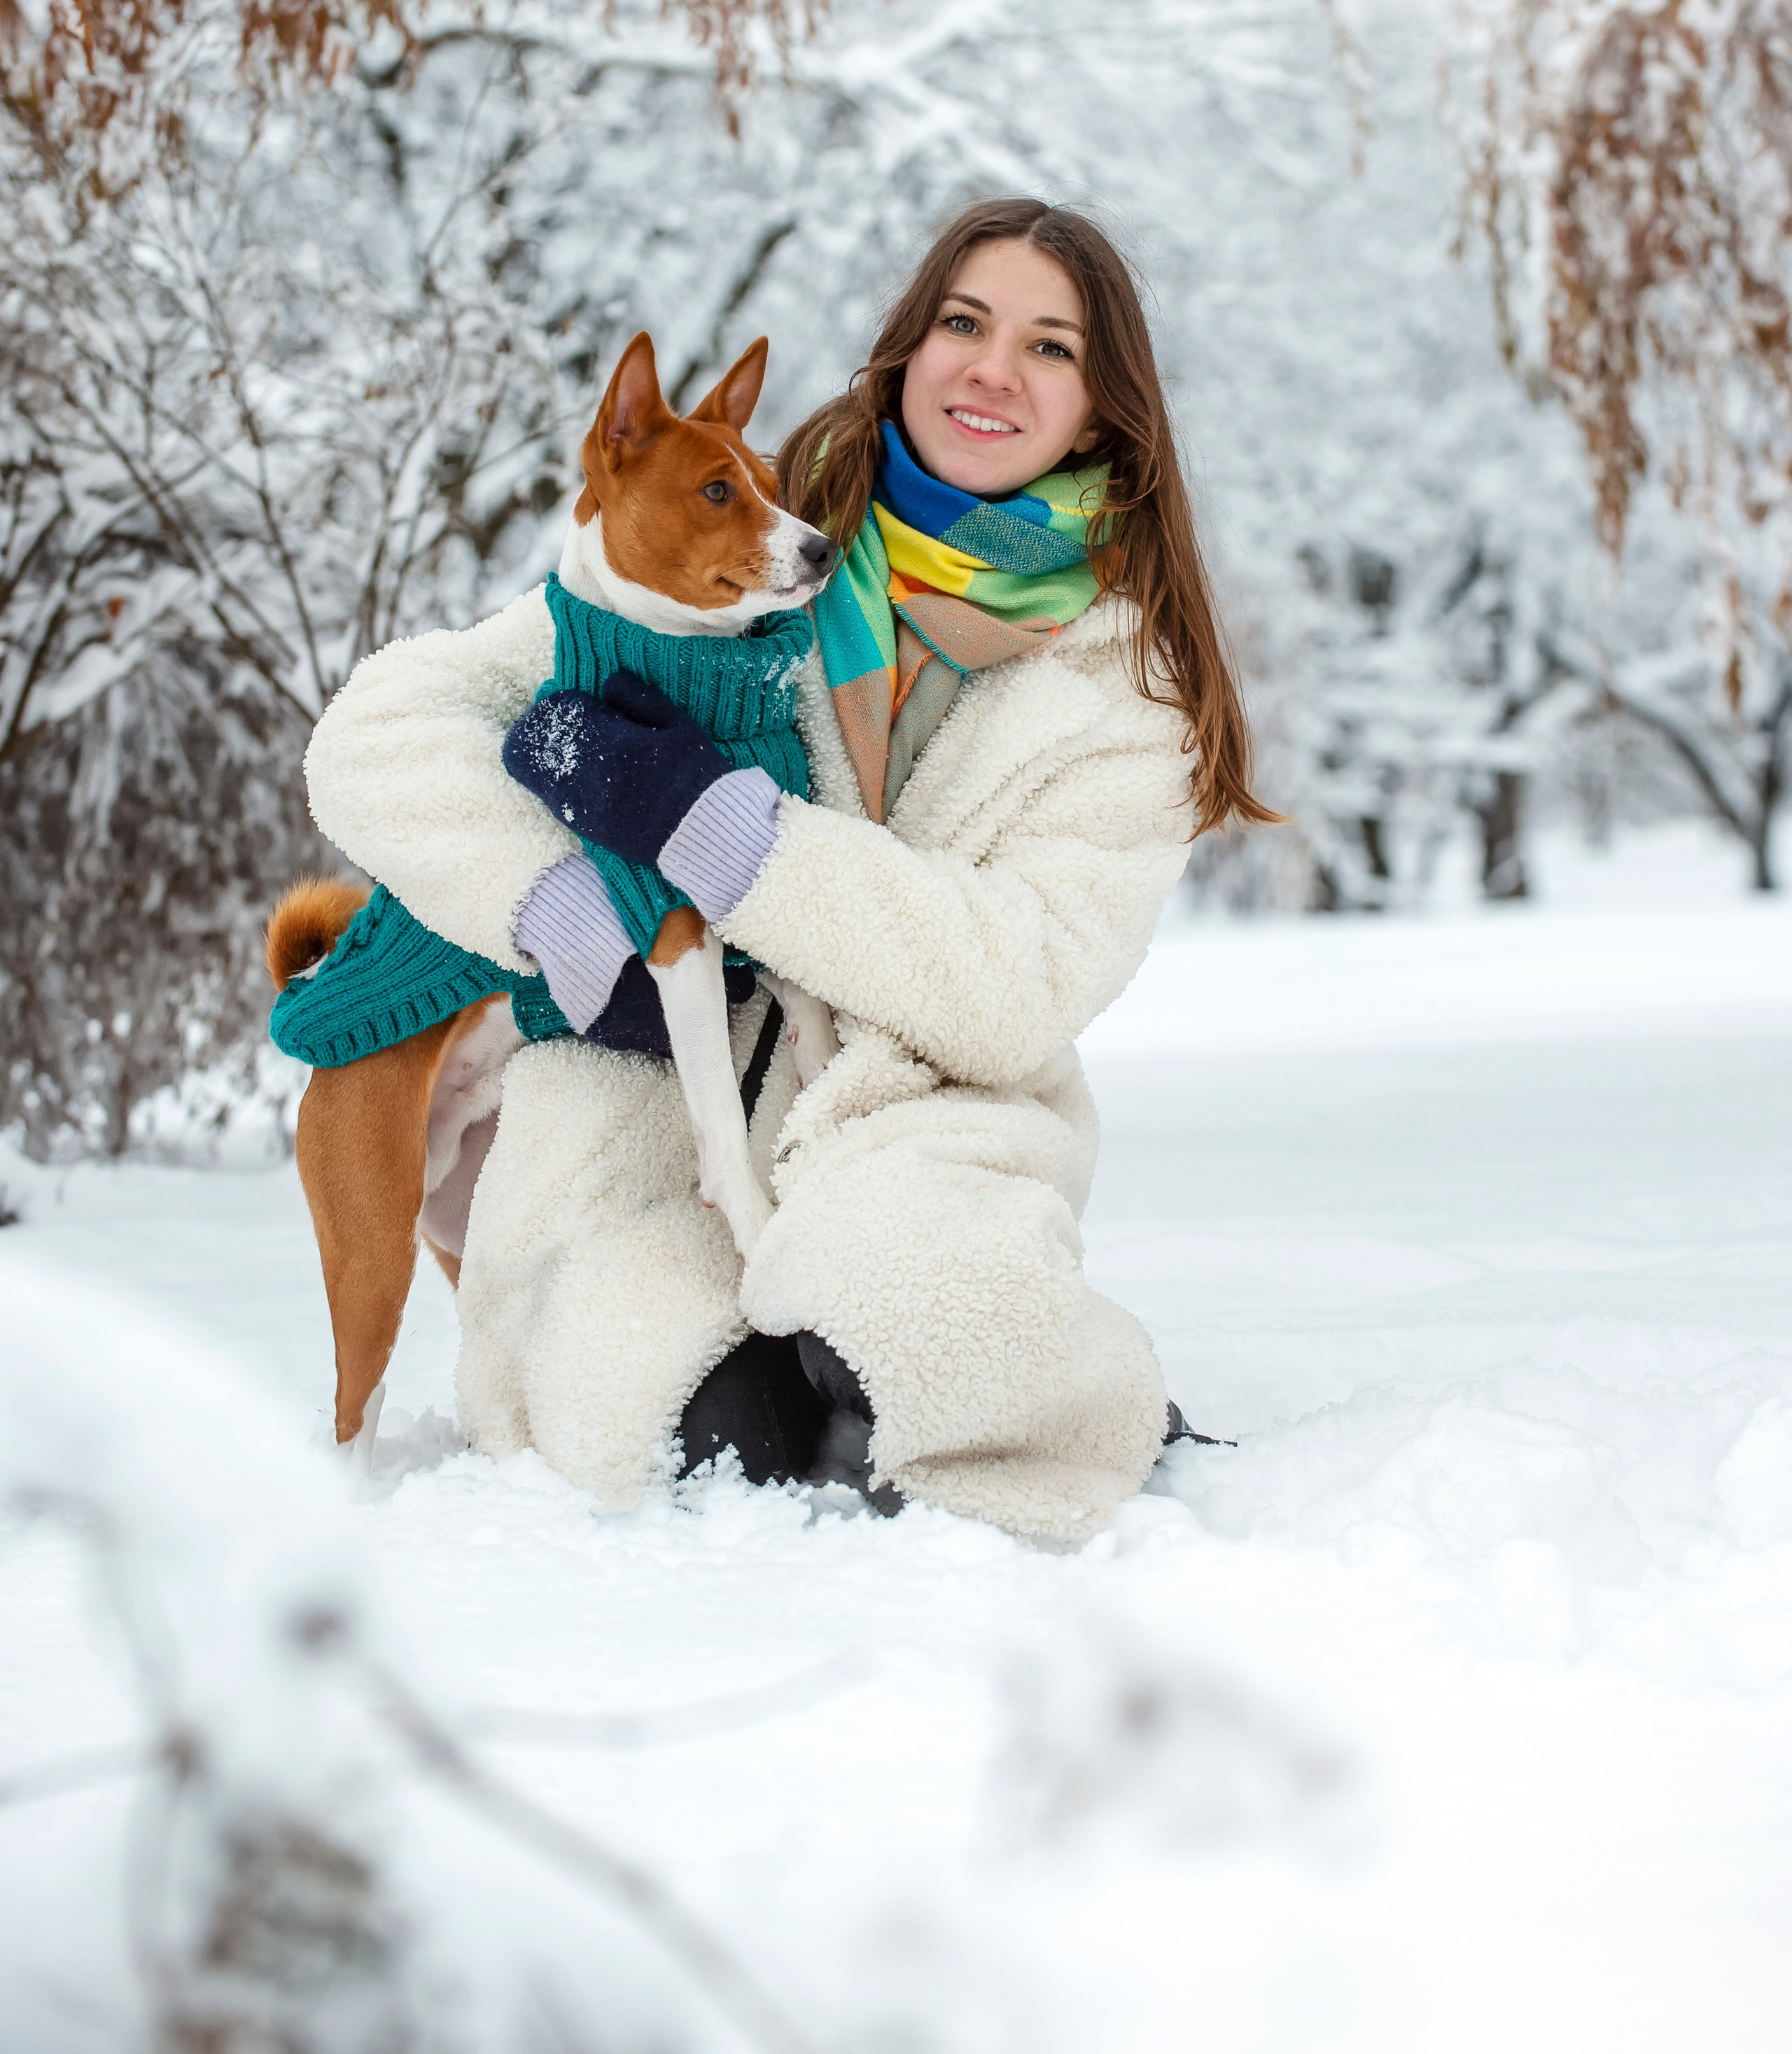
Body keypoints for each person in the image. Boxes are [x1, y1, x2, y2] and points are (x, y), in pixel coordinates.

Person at [302, 197, 1275, 1543]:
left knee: (926, 1326)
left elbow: (1019, 984)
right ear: (911, 347)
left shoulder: (1126, 682)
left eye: (1050, 347)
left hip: (923, 1104)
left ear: (1103, 409)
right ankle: (789, 1375)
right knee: (641, 1422)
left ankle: (1047, 1392)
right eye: (966, 322)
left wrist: (732, 837)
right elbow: (380, 732)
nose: (994, 369)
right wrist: (550, 904)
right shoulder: (748, 547)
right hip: (659, 1106)